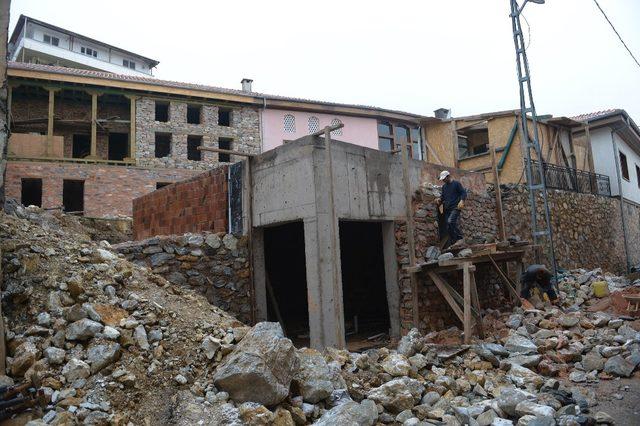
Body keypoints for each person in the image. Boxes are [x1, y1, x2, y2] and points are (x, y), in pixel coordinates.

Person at [436, 170, 467, 247]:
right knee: (448, 225)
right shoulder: (444, 187)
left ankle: (459, 239)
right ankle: (455, 241)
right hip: (447, 209)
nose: (443, 180)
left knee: (450, 222)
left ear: (448, 176)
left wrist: (462, 200)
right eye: (442, 179)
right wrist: (439, 199)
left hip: (456, 207)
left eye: (444, 179)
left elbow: (463, 193)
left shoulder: (456, 184)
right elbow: (443, 196)